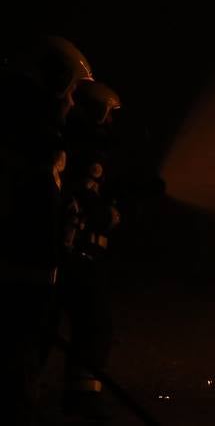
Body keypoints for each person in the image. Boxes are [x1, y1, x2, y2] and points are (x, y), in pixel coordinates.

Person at [1, 35, 93, 425]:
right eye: (70, 92)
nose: (72, 104)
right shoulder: (19, 149)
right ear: (51, 85)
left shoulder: (35, 148)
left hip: (25, 301)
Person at [59, 80, 123, 421]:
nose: (109, 122)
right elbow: (86, 200)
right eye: (106, 114)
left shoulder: (70, 144)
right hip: (75, 257)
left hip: (66, 257)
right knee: (95, 325)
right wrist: (107, 216)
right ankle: (82, 403)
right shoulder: (86, 151)